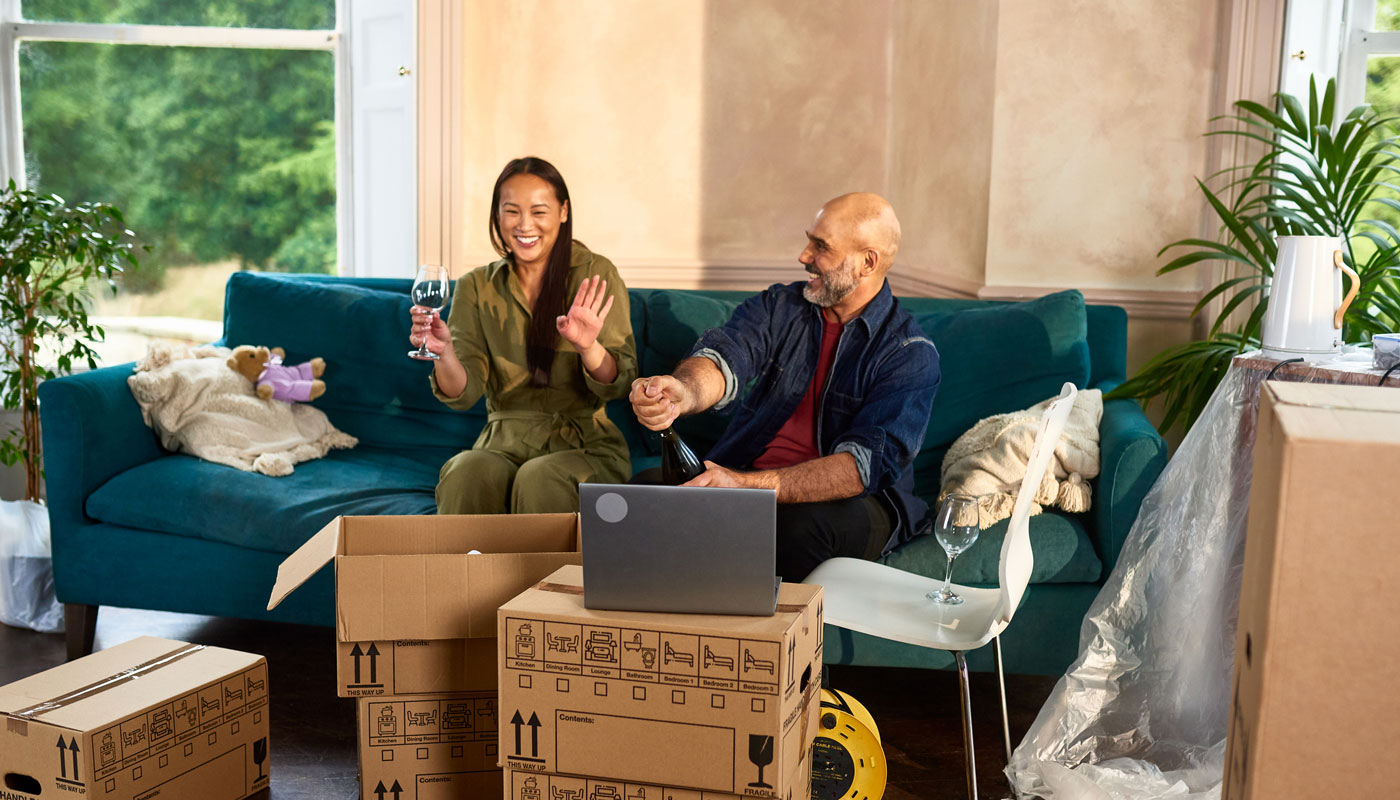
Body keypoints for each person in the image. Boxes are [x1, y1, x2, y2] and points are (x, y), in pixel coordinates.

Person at [629, 193, 940, 582]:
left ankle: (763, 642)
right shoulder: (782, 307)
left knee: (798, 528)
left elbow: (859, 470)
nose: (804, 255)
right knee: (644, 494)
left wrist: (746, 487)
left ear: (867, 262)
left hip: (859, 502)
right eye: (809, 240)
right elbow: (728, 355)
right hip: (751, 473)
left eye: (821, 246)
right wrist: (683, 391)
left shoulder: (909, 353)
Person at [411, 156, 637, 513]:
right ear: (497, 215)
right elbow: (462, 393)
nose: (524, 225)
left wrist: (588, 347)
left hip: (584, 445)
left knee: (540, 477)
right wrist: (445, 353)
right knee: (464, 472)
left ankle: (546, 573)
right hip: (502, 442)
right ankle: (463, 571)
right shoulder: (475, 286)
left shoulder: (595, 272)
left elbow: (619, 383)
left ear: (563, 212)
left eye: (539, 211)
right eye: (512, 211)